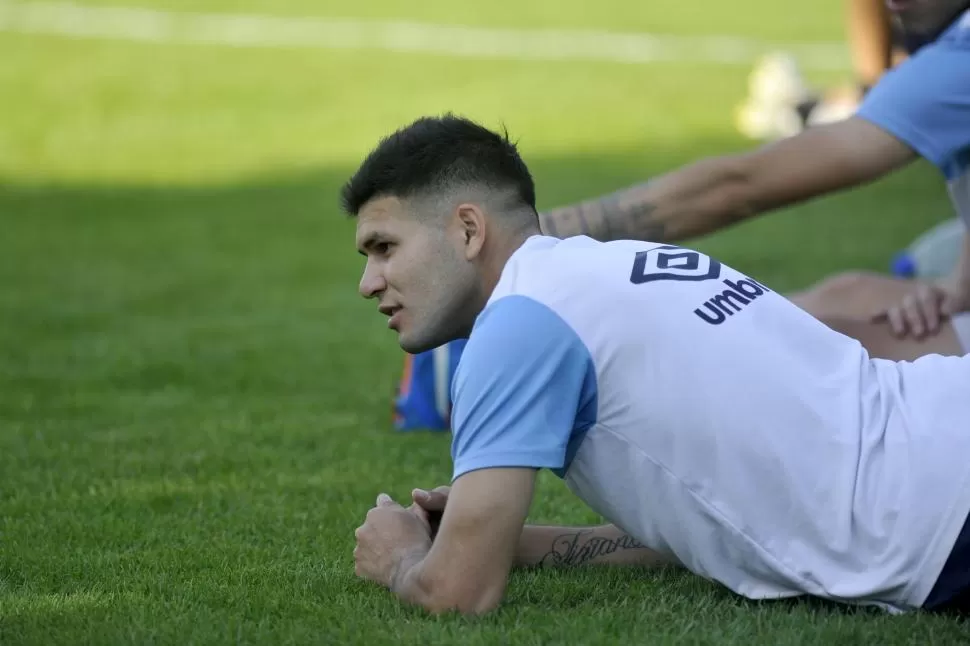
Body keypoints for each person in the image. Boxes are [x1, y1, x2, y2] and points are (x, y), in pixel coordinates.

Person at [345, 114, 970, 617]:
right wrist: (520, 540)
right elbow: (719, 525)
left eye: (385, 247)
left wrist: (400, 558)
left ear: (467, 230)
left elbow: (458, 594)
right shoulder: (618, 266)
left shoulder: (516, 326)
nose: (369, 283)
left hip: (940, 510)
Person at [536, 0, 970, 362]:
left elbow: (736, 188)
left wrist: (532, 237)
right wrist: (960, 285)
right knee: (839, 296)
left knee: (800, 351)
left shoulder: (958, 61)